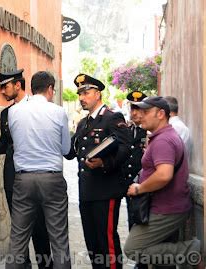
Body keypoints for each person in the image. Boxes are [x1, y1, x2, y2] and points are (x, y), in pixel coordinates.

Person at [0, 69, 52, 268]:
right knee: (19, 227)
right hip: (12, 177)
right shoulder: (6, 113)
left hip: (35, 175)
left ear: (18, 85)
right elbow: (5, 144)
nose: (2, 91)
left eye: (5, 86)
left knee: (39, 227)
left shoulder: (39, 108)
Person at [124, 96, 203, 268]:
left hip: (166, 209)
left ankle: (190, 251)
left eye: (146, 112)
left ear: (161, 114)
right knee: (160, 262)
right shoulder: (162, 136)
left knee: (133, 249)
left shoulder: (163, 140)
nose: (141, 115)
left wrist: (139, 188)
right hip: (164, 206)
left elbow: (163, 175)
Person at [64, 74, 131, 269]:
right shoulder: (83, 123)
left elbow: (126, 148)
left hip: (106, 190)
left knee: (106, 241)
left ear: (97, 93)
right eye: (80, 94)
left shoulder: (112, 117)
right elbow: (72, 151)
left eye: (86, 92)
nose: (82, 97)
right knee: (92, 242)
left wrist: (104, 162)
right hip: (87, 190)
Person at [6, 71, 71, 269]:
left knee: (17, 240)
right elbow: (66, 149)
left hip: (23, 179)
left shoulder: (13, 111)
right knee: (59, 239)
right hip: (51, 179)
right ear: (50, 89)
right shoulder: (58, 112)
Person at [124, 91, 148, 230]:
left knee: (142, 219)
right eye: (133, 108)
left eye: (138, 108)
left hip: (144, 183)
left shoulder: (148, 131)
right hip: (128, 182)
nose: (134, 113)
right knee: (131, 217)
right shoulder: (127, 129)